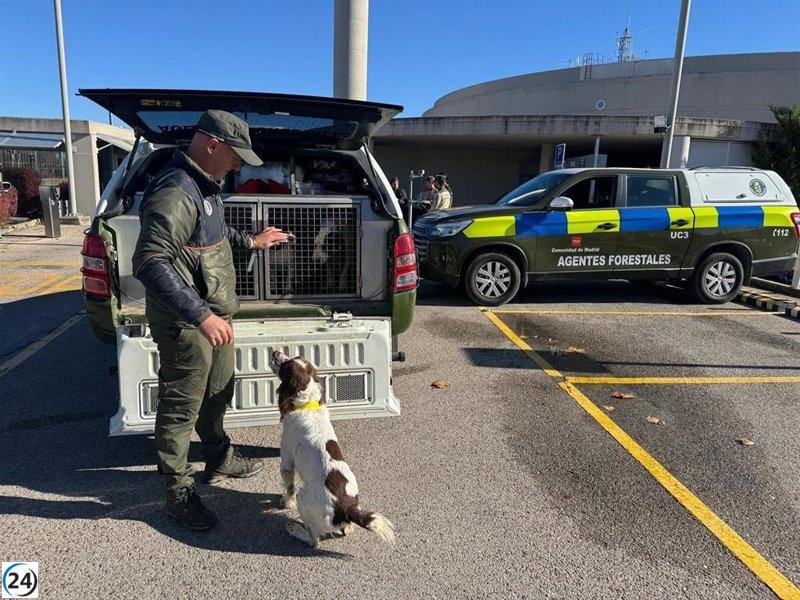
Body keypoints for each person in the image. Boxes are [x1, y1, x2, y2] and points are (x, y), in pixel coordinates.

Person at [133, 109, 287, 531]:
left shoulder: (206, 186)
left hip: (211, 314)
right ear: (211, 144)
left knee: (218, 391)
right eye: (236, 155)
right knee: (182, 404)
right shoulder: (175, 191)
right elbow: (149, 260)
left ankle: (218, 456)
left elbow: (212, 236)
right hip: (187, 322)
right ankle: (177, 491)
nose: (240, 165)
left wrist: (253, 242)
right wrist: (200, 315)